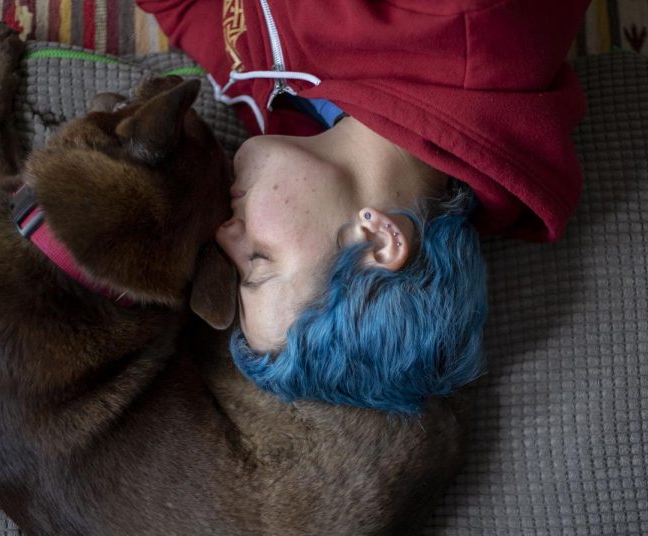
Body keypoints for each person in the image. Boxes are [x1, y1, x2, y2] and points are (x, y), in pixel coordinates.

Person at [137, 0, 590, 413]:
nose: (223, 233)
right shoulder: (466, 22)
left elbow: (186, 9)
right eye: (259, 260)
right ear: (379, 239)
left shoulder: (278, 123)